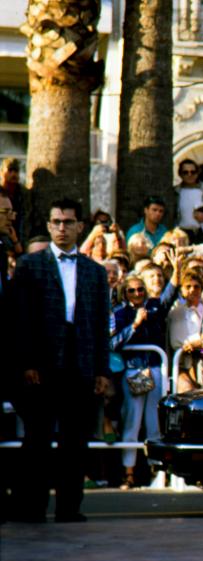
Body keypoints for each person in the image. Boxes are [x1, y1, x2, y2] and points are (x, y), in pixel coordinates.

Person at [10, 200, 110, 523]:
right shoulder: (30, 265)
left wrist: (101, 370)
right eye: (56, 222)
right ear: (50, 226)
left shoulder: (95, 272)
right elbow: (22, 319)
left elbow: (99, 325)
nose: (62, 227)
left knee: (75, 440)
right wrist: (27, 363)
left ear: (81, 226)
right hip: (42, 364)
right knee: (37, 438)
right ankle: (31, 506)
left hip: (80, 363)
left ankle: (70, 507)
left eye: (68, 222)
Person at [110, 266, 179, 488]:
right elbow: (112, 343)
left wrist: (176, 272)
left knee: (154, 423)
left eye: (141, 290)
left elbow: (168, 298)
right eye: (132, 291)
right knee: (131, 422)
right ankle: (128, 472)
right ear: (125, 293)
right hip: (133, 370)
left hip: (155, 369)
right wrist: (134, 325)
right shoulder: (119, 313)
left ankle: (156, 471)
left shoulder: (154, 306)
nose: (138, 294)